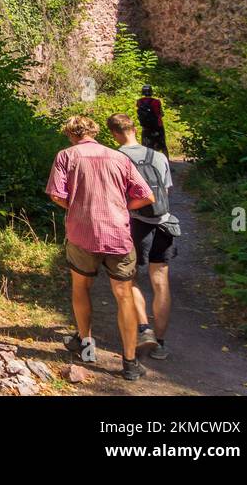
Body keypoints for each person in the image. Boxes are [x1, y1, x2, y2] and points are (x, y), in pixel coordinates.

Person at [46, 114, 156, 381]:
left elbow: (56, 194)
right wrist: (120, 207)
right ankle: (129, 363)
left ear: (71, 134)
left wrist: (76, 208)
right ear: (94, 132)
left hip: (82, 234)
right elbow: (146, 196)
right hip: (117, 234)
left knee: (81, 288)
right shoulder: (119, 158)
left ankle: (86, 347)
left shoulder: (66, 156)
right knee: (124, 295)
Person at [108, 113, 179, 361]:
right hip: (164, 224)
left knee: (131, 278)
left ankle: (143, 329)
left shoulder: (116, 157)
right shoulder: (158, 156)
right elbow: (166, 190)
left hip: (136, 225)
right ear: (135, 129)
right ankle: (160, 343)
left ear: (114, 133)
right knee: (160, 282)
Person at [136, 85, 169, 157]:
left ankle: (148, 163)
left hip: (146, 127)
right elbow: (160, 114)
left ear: (143, 92)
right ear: (151, 92)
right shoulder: (156, 101)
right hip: (157, 126)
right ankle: (167, 163)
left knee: (146, 147)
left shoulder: (139, 101)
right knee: (163, 146)